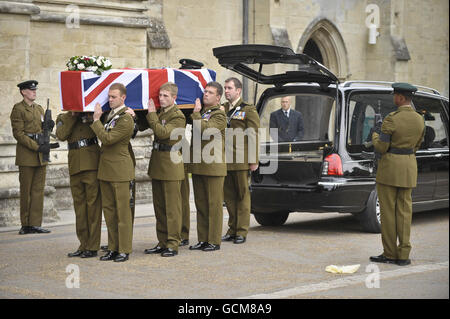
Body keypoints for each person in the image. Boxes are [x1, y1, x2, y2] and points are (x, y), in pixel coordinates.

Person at [370, 82, 425, 266]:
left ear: (401, 98)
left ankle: (390, 253)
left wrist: (374, 136)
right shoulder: (419, 119)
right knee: (404, 213)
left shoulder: (391, 119)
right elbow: (417, 145)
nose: (394, 98)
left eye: (395, 95)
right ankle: (403, 255)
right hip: (409, 168)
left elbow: (382, 147)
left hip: (390, 171)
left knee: (388, 213)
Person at [90, 83, 135, 262]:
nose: (110, 100)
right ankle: (113, 247)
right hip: (106, 169)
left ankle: (124, 249)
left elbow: (108, 139)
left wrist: (95, 120)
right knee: (109, 212)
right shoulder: (110, 115)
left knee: (122, 213)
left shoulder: (125, 119)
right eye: (109, 96)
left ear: (123, 98)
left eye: (113, 97)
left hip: (120, 170)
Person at [143, 82, 186, 257]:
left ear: (174, 98)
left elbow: (162, 133)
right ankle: (162, 241)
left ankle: (173, 243)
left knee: (172, 208)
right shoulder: (161, 112)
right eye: (160, 95)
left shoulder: (178, 116)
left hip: (171, 165)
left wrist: (151, 114)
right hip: (158, 164)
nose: (161, 99)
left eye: (165, 96)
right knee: (159, 207)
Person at [55, 111, 102, 258]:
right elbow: (61, 135)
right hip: (75, 164)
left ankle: (93, 246)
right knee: (80, 207)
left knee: (93, 206)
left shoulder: (93, 114)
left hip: (92, 163)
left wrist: (93, 117)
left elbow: (103, 133)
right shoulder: (63, 118)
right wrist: (72, 115)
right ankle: (83, 244)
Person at [189, 82, 227, 252]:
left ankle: (213, 240)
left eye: (210, 92)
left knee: (214, 205)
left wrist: (196, 115)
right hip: (199, 165)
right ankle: (203, 239)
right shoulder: (203, 112)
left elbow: (206, 131)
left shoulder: (219, 115)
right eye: (205, 91)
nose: (206, 94)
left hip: (213, 166)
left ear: (218, 97)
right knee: (201, 205)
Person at [221, 77, 260, 244]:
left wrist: (253, 160)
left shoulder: (248, 109)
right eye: (225, 88)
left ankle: (242, 231)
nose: (226, 91)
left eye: (229, 88)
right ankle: (232, 228)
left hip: (241, 159)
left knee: (242, 196)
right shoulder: (224, 109)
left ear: (238, 90)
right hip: (225, 159)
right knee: (229, 197)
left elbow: (253, 135)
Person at [10, 80, 52, 235]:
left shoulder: (39, 108)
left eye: (35, 90)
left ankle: (35, 223)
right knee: (26, 190)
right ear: (23, 92)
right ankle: (25, 224)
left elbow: (43, 130)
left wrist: (49, 126)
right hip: (27, 154)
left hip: (41, 155)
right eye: (30, 90)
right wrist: (36, 146)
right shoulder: (18, 109)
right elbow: (18, 134)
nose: (34, 92)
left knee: (38, 191)